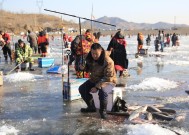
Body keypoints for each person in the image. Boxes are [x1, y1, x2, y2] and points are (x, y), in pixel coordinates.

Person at [79, 43, 117, 119]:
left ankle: (103, 111)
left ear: (101, 51)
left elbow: (108, 77)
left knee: (102, 92)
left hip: (109, 81)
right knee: (82, 89)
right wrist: (83, 67)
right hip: (95, 79)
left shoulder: (108, 61)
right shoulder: (89, 57)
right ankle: (91, 106)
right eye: (93, 53)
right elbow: (88, 68)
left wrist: (97, 87)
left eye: (96, 54)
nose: (94, 56)